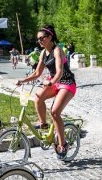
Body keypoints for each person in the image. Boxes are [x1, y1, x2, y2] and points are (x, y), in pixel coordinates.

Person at [16, 24, 77, 159]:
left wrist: (51, 81)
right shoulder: (43, 53)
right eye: (38, 39)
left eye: (42, 38)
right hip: (55, 83)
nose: (39, 41)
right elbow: (37, 73)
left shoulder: (57, 50)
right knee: (37, 98)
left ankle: (62, 144)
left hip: (66, 83)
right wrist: (22, 80)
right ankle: (44, 125)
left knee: (55, 112)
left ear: (49, 37)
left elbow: (60, 71)